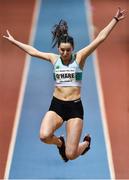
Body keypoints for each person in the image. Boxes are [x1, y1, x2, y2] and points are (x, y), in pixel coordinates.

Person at [3, 7, 126, 162]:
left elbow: (100, 38)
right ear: (58, 48)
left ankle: (86, 144)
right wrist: (14, 42)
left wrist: (114, 20)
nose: (65, 53)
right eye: (62, 50)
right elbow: (33, 51)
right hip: (57, 105)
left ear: (72, 48)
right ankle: (59, 142)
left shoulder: (80, 58)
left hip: (74, 108)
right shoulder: (54, 59)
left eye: (68, 50)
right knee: (44, 135)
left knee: (71, 155)